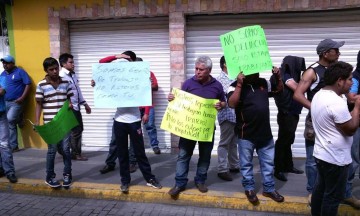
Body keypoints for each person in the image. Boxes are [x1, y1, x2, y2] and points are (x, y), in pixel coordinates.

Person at [293, 38, 344, 204]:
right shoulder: (311, 71)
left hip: (336, 120)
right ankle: (312, 192)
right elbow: (298, 94)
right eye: (336, 51)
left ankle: (330, 190)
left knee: (334, 158)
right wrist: (316, 108)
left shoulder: (337, 70)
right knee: (313, 161)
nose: (339, 53)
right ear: (325, 53)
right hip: (315, 122)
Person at [167, 55, 226, 198]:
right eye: (196, 69)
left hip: (206, 129)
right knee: (183, 155)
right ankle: (179, 183)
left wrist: (221, 105)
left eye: (201, 69)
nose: (198, 72)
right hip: (189, 128)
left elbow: (224, 102)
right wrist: (172, 99)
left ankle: (200, 181)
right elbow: (180, 103)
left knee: (205, 156)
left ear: (209, 70)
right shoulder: (188, 83)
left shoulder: (217, 85)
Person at [228, 68, 284, 205]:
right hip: (245, 134)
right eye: (253, 70)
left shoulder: (263, 83)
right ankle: (249, 189)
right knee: (246, 165)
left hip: (265, 133)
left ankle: (269, 189)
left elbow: (279, 91)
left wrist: (278, 77)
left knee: (268, 164)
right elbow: (231, 103)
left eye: (257, 70)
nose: (256, 72)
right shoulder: (234, 85)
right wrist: (240, 85)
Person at [310, 61, 359, 216]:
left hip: (322, 154)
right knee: (332, 198)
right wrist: (357, 107)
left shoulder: (320, 94)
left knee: (320, 191)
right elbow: (350, 129)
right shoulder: (336, 102)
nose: (352, 82)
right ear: (340, 81)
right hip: (335, 159)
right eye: (350, 79)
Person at [97, 51, 149, 174]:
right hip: (119, 116)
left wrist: (146, 112)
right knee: (114, 141)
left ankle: (132, 163)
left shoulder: (138, 76)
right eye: (122, 59)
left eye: (127, 60)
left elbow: (147, 95)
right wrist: (116, 56)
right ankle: (110, 163)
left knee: (134, 143)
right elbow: (101, 63)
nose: (123, 62)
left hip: (135, 115)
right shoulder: (117, 74)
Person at [35, 57, 73, 188]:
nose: (55, 71)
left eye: (56, 68)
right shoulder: (41, 85)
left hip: (64, 122)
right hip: (50, 123)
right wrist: (37, 122)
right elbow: (39, 104)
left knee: (66, 150)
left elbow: (69, 99)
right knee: (52, 151)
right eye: (51, 69)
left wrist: (71, 105)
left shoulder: (65, 82)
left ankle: (67, 174)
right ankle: (49, 176)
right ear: (46, 70)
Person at [272, 56, 306, 182]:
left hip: (292, 112)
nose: (299, 70)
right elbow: (297, 88)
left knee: (288, 140)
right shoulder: (285, 75)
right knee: (282, 141)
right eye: (298, 66)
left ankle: (288, 166)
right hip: (286, 113)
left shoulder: (289, 75)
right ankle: (278, 169)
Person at [59, 53, 91, 161]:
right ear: (63, 64)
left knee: (78, 130)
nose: (73, 64)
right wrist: (67, 102)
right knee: (76, 130)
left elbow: (78, 91)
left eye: (73, 62)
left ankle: (73, 152)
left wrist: (85, 104)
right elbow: (60, 92)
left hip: (76, 107)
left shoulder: (72, 75)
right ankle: (75, 153)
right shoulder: (61, 76)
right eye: (70, 62)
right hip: (69, 108)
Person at [0, 55, 31, 151]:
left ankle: (13, 146)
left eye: (7, 63)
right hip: (5, 102)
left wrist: (22, 97)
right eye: (3, 63)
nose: (5, 65)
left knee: (9, 120)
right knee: (8, 121)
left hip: (16, 102)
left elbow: (28, 84)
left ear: (13, 63)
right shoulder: (3, 74)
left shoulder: (20, 72)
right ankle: (19, 118)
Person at [216, 56, 239, 181]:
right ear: (225, 64)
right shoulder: (219, 80)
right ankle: (222, 169)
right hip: (227, 115)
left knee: (233, 143)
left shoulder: (235, 78)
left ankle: (234, 165)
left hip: (236, 115)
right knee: (224, 143)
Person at [344, 50, 360, 209]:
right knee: (354, 159)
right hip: (357, 122)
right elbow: (351, 96)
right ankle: (346, 193)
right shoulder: (355, 77)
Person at [0, 74, 18, 183]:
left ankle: (10, 171)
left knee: (4, 144)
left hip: (1, 115)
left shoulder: (2, 78)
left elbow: (1, 91)